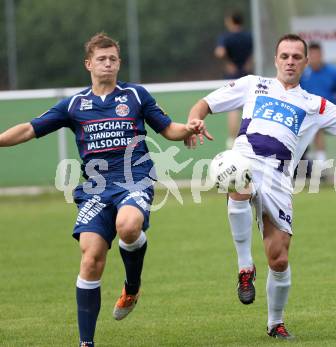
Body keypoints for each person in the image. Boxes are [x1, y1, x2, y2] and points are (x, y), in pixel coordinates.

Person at [185, 34, 336, 340]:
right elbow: (205, 104)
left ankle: (275, 323)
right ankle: (244, 266)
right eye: (284, 56)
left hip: (279, 178)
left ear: (306, 62)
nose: (290, 61)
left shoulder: (314, 104)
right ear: (275, 59)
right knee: (235, 174)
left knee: (279, 259)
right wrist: (194, 120)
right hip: (247, 159)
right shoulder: (254, 84)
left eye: (296, 56)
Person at [0, 33, 208, 347]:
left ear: (119, 63)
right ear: (89, 64)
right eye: (101, 59)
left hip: (134, 178)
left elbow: (168, 129)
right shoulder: (74, 104)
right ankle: (86, 343)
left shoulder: (135, 96)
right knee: (91, 258)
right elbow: (30, 128)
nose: (107, 64)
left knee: (127, 226)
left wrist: (188, 129)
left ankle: (132, 287)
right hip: (95, 189)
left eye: (112, 59)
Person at [300, 41, 336, 162]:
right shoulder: (303, 74)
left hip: (330, 113)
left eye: (317, 55)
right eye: (312, 55)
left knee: (316, 123)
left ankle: (320, 164)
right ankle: (311, 162)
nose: (314, 58)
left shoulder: (335, 72)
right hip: (308, 115)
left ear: (322, 55)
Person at [214, 11, 253, 149]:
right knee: (250, 108)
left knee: (233, 110)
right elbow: (254, 50)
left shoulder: (226, 37)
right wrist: (248, 62)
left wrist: (228, 63)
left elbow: (220, 52)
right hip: (247, 75)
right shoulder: (249, 36)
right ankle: (250, 139)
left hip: (232, 76)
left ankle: (232, 140)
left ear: (231, 21)